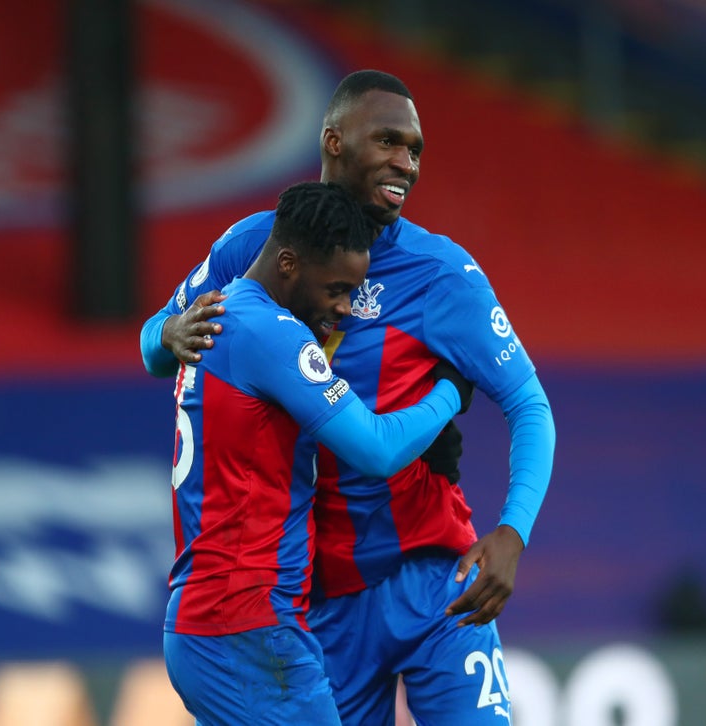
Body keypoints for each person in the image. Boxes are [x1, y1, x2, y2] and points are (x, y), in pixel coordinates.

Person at [143, 70, 556, 725]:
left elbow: (530, 405)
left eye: (415, 149)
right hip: (321, 600)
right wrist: (169, 329)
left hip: (434, 583)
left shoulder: (443, 274)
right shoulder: (256, 245)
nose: (406, 163)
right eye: (389, 141)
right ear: (334, 141)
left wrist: (513, 532)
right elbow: (152, 349)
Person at [163, 181, 474, 726]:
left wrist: (162, 330)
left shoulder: (223, 312)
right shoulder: (270, 333)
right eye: (336, 288)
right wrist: (450, 391)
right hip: (247, 624)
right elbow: (376, 450)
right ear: (288, 263)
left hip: (218, 619)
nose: (345, 308)